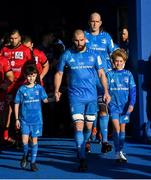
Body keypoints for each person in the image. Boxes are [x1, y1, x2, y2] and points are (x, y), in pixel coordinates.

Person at [54, 29, 111, 171]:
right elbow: (59, 73)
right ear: (72, 40)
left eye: (81, 40)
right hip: (75, 97)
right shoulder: (67, 55)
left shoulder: (94, 55)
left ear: (85, 39)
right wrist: (56, 90)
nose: (79, 43)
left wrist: (106, 91)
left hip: (91, 97)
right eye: (76, 40)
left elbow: (102, 74)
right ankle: (82, 157)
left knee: (88, 128)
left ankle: (83, 146)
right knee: (78, 126)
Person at [84, 12, 117, 153]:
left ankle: (104, 141)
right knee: (88, 113)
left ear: (101, 22)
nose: (94, 24)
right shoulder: (83, 37)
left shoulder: (106, 37)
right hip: (87, 81)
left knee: (103, 110)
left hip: (102, 81)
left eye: (97, 21)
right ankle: (86, 141)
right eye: (92, 21)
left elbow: (116, 53)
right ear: (89, 22)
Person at [1, 29, 32, 147]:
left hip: (22, 86)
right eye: (11, 38)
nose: (13, 41)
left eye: (16, 38)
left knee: (23, 112)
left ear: (20, 38)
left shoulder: (26, 50)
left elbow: (32, 68)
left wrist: (34, 84)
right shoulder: (4, 50)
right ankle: (6, 136)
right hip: (8, 86)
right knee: (7, 112)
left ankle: (24, 136)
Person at [15, 64, 48, 171]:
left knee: (34, 141)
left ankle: (33, 163)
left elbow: (45, 100)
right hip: (24, 120)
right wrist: (16, 119)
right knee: (24, 141)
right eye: (29, 76)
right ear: (25, 76)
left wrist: (55, 98)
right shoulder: (21, 89)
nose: (31, 78)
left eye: (33, 75)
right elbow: (16, 104)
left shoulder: (39, 88)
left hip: (37, 120)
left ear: (36, 76)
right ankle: (25, 154)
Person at [107, 49, 136, 162]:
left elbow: (133, 91)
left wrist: (131, 105)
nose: (118, 63)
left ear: (124, 61)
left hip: (125, 107)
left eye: (120, 61)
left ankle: (120, 150)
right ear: (113, 62)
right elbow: (105, 90)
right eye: (116, 61)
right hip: (113, 105)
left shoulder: (128, 74)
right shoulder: (109, 74)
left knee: (122, 128)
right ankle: (117, 151)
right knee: (116, 128)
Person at [0, 54, 14, 144]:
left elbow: (10, 77)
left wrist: (5, 84)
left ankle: (4, 136)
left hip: (0, 94)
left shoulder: (3, 60)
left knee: (2, 118)